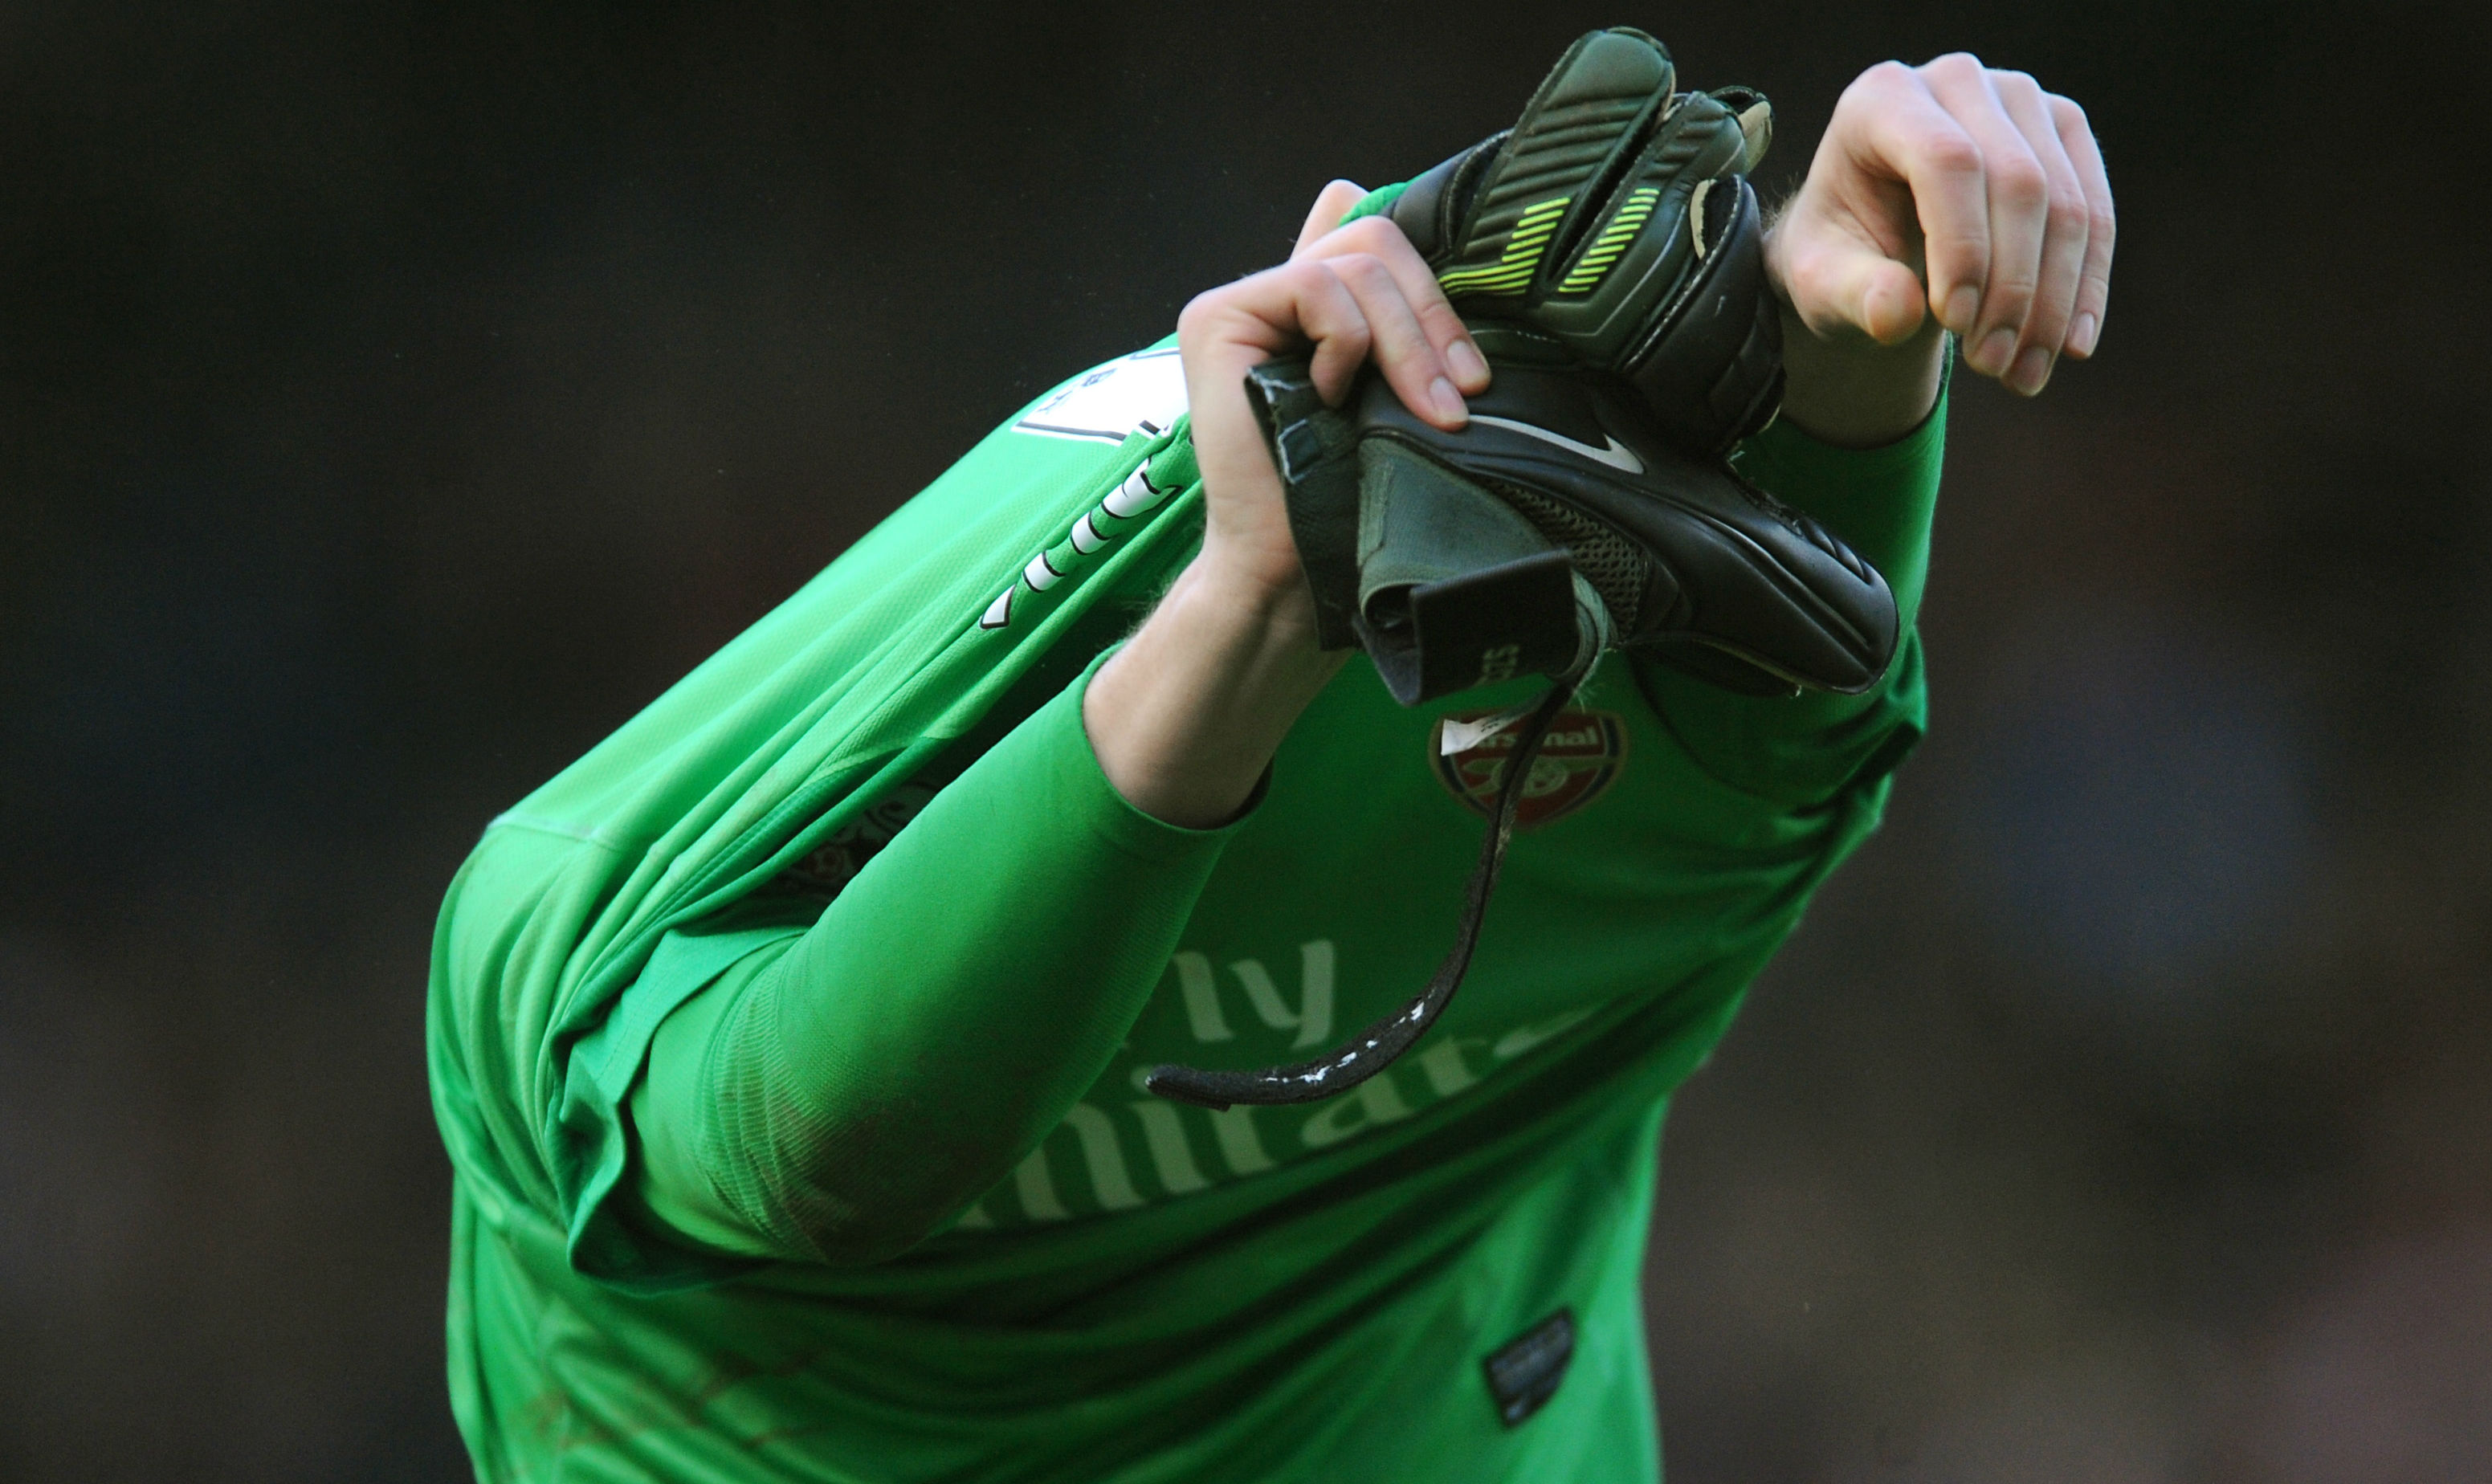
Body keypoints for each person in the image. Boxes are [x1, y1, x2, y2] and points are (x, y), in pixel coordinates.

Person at [428, 47, 2114, 1483]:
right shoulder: (598, 917)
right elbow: (795, 1153)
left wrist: (1834, 334)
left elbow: (1790, 704)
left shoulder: (1655, 798)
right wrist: (1250, 615)